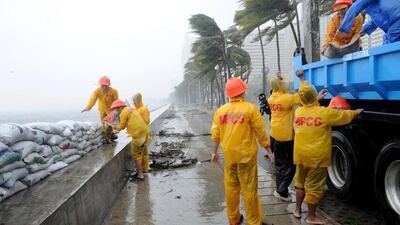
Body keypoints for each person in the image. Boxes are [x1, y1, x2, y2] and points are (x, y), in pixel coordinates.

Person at [293, 84, 363, 225]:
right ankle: (311, 217)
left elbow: (307, 106)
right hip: (316, 158)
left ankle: (297, 210)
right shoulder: (324, 113)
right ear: (314, 96)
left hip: (300, 155)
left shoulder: (298, 112)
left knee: (300, 183)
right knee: (314, 187)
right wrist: (355, 112)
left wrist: (315, 99)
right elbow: (342, 116)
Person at [211, 77, 273, 225]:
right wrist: (269, 151)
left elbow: (216, 134)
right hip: (246, 158)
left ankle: (234, 220)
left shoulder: (221, 111)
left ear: (229, 94)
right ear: (243, 91)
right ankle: (254, 221)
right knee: (249, 190)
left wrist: (214, 152)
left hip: (230, 158)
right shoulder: (250, 109)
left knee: (231, 190)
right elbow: (260, 132)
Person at [268, 69, 327, 202]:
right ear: (281, 86)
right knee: (291, 166)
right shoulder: (286, 99)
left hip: (274, 135)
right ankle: (282, 190)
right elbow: (304, 95)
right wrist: (301, 78)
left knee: (280, 165)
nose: (285, 85)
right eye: (283, 84)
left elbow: (279, 87)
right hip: (286, 137)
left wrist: (279, 78)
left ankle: (281, 190)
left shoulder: (271, 98)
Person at [110, 100, 151, 181]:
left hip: (138, 135)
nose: (115, 111)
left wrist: (114, 127)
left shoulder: (123, 113)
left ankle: (140, 175)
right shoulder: (130, 109)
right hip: (144, 132)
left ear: (118, 108)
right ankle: (144, 169)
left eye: (115, 109)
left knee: (136, 154)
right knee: (143, 152)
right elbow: (126, 124)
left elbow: (121, 126)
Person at [82, 76, 119, 143]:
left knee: (110, 123)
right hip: (102, 109)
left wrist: (116, 110)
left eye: (106, 86)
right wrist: (87, 108)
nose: (104, 87)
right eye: (102, 86)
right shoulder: (97, 91)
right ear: (100, 85)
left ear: (108, 85)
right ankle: (110, 135)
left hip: (111, 109)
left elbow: (116, 101)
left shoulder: (114, 91)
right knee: (103, 123)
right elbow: (92, 100)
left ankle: (108, 137)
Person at [132, 92, 151, 173]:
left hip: (141, 135)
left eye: (134, 100)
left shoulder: (144, 109)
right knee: (143, 151)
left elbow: (146, 121)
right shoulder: (135, 108)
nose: (133, 102)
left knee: (141, 153)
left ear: (138, 100)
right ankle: (144, 168)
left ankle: (144, 168)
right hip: (137, 134)